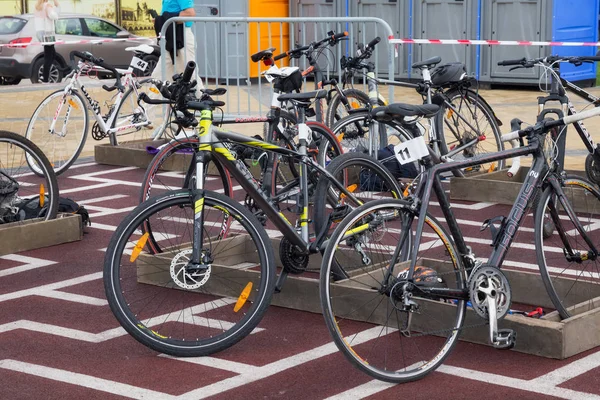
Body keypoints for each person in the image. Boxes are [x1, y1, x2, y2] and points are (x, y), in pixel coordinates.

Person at [151, 0, 203, 90]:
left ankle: (202, 100)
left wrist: (164, 20)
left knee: (190, 75)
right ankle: (150, 103)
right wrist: (160, 20)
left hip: (181, 36)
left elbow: (190, 14)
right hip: (172, 36)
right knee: (159, 76)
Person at [34, 0, 60, 83]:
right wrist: (56, 6)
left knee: (52, 54)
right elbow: (54, 16)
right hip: (48, 34)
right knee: (49, 56)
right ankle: (44, 77)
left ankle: (47, 73)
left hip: (40, 33)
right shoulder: (47, 6)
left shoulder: (37, 7)